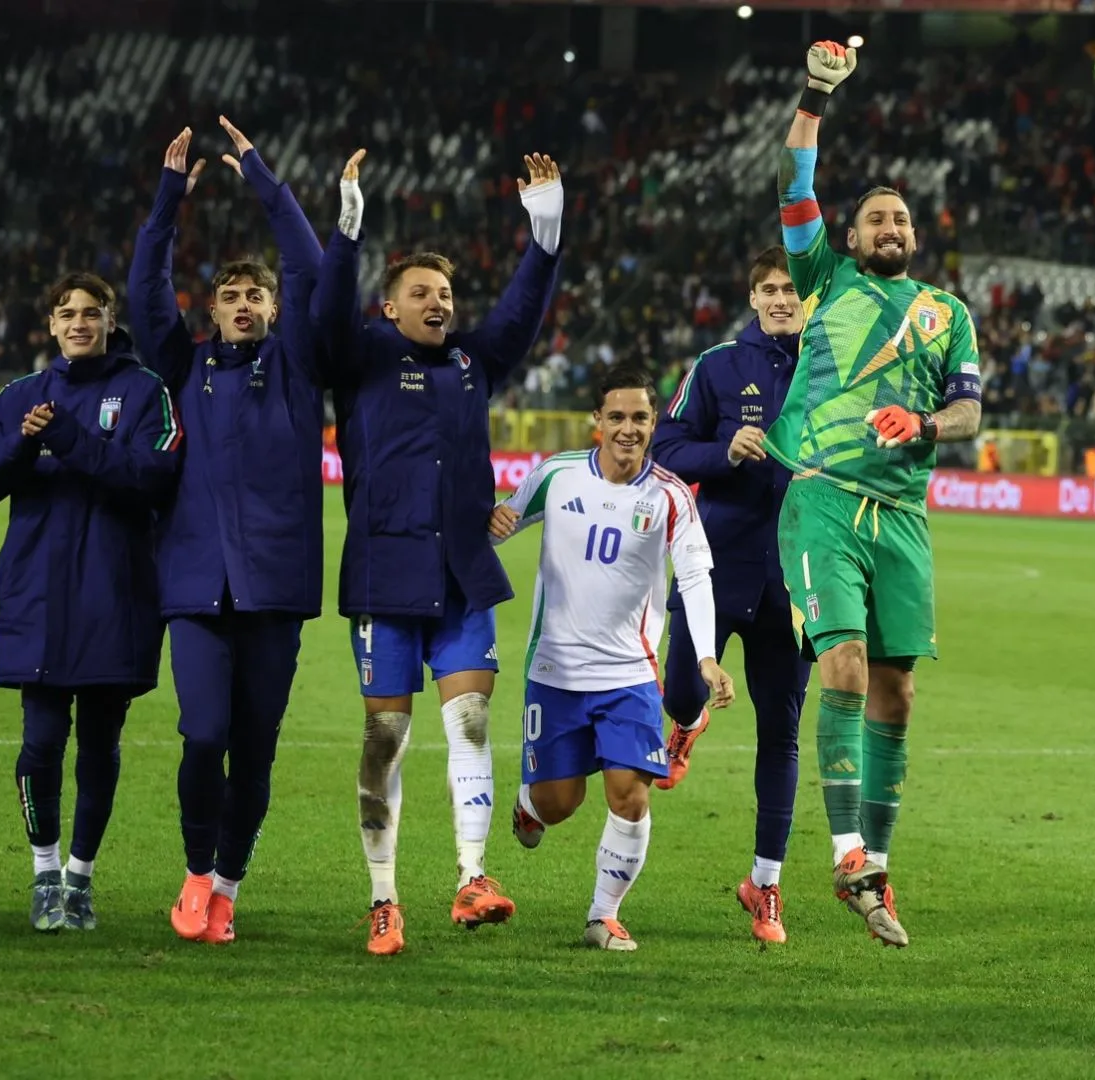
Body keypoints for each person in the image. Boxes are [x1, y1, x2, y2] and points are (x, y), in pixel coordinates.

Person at [316, 150, 567, 955]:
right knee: (385, 738)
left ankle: (471, 876)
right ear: (388, 309)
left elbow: (520, 317)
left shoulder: (470, 364)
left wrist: (546, 232)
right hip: (385, 576)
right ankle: (383, 898)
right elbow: (323, 319)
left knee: (469, 722)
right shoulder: (358, 360)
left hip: (460, 575)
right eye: (422, 294)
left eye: (447, 294)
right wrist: (349, 229)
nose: (439, 303)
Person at [765, 41, 985, 948]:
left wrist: (925, 427)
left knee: (898, 694)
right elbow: (794, 183)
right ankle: (847, 849)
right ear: (850, 240)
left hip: (904, 515)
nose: (889, 228)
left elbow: (970, 415)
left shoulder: (947, 313)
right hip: (823, 496)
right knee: (845, 668)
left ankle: (879, 873)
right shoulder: (825, 278)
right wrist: (817, 93)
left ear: (914, 237)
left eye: (900, 220)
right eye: (875, 220)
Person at [129, 119, 336, 945]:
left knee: (254, 752)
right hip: (193, 584)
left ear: (274, 309)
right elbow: (146, 290)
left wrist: (260, 175)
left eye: (257, 295)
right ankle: (193, 870)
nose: (245, 304)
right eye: (231, 295)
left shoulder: (297, 366)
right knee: (202, 732)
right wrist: (168, 200)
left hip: (276, 588)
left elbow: (313, 264)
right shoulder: (183, 367)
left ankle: (228, 885)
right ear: (210, 309)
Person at [0, 272, 182, 932]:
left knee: (100, 745)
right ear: (50, 325)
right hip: (39, 596)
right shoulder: (21, 395)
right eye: (66, 313)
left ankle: (80, 879)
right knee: (41, 742)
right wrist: (25, 442)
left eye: (92, 312)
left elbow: (154, 476)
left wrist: (70, 439)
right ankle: (44, 872)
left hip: (117, 596)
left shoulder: (145, 392)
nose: (79, 322)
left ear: (111, 321)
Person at [492, 363, 735, 952]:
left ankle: (603, 916)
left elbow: (697, 576)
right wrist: (491, 521)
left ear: (654, 423)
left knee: (631, 793)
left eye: (641, 418)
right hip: (555, 673)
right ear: (596, 420)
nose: (629, 429)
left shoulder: (670, 495)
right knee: (559, 802)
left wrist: (705, 657)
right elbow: (500, 526)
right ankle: (530, 804)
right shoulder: (557, 475)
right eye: (618, 417)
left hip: (629, 675)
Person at [650, 244, 813, 944]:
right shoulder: (717, 365)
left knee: (781, 736)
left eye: (792, 290)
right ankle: (686, 724)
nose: (781, 299)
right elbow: (664, 446)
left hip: (797, 581)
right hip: (712, 566)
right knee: (678, 693)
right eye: (769, 289)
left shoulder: (831, 368)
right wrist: (723, 454)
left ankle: (765, 884)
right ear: (752, 298)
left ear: (808, 300)